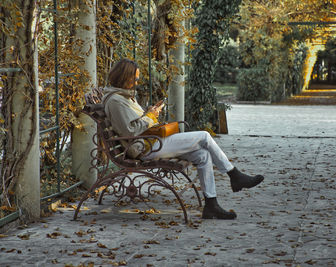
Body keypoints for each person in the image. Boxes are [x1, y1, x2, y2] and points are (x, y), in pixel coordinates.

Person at [102, 58, 264, 219]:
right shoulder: (116, 100)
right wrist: (150, 116)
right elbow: (130, 130)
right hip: (145, 147)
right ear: (124, 76)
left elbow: (134, 123)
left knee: (203, 155)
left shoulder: (123, 96)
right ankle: (234, 175)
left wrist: (149, 112)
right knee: (204, 136)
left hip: (149, 142)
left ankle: (211, 205)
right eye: (134, 78)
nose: (137, 81)